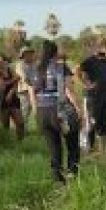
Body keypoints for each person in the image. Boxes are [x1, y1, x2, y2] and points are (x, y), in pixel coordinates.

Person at [30, 39, 83, 184]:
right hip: (59, 111)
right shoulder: (60, 67)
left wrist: (36, 111)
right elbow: (66, 90)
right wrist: (79, 110)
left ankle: (58, 180)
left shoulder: (35, 68)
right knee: (72, 142)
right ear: (55, 52)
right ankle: (72, 173)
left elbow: (31, 92)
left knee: (54, 147)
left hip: (42, 112)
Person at [76, 40, 106, 155]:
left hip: (104, 98)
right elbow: (76, 70)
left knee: (104, 126)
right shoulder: (90, 60)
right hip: (92, 98)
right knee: (90, 124)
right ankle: (85, 150)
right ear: (100, 47)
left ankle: (103, 153)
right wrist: (86, 84)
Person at [0, 55, 25, 141]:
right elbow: (1, 84)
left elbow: (18, 78)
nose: (0, 61)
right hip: (1, 100)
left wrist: (11, 91)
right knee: (5, 124)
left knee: (20, 122)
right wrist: (13, 80)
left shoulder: (9, 69)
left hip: (13, 98)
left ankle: (20, 141)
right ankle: (7, 142)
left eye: (2, 60)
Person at [15, 46, 36, 131]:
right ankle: (23, 130)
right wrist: (33, 86)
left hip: (35, 90)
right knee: (25, 110)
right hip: (24, 91)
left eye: (31, 53)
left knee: (35, 109)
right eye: (28, 53)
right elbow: (24, 78)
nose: (30, 55)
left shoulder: (34, 64)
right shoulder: (20, 65)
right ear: (23, 55)